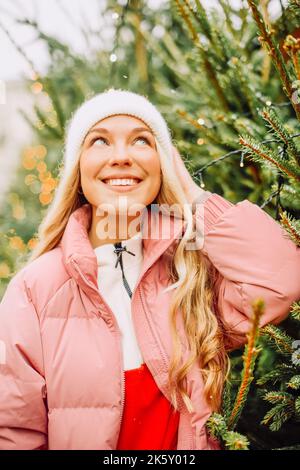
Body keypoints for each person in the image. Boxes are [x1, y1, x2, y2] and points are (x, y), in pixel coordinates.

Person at [0, 88, 299, 450]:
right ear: (77, 170)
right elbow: (14, 433)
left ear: (164, 162)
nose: (122, 157)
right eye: (99, 141)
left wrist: (192, 196)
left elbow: (282, 283)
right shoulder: (35, 290)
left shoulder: (191, 270)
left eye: (142, 141)